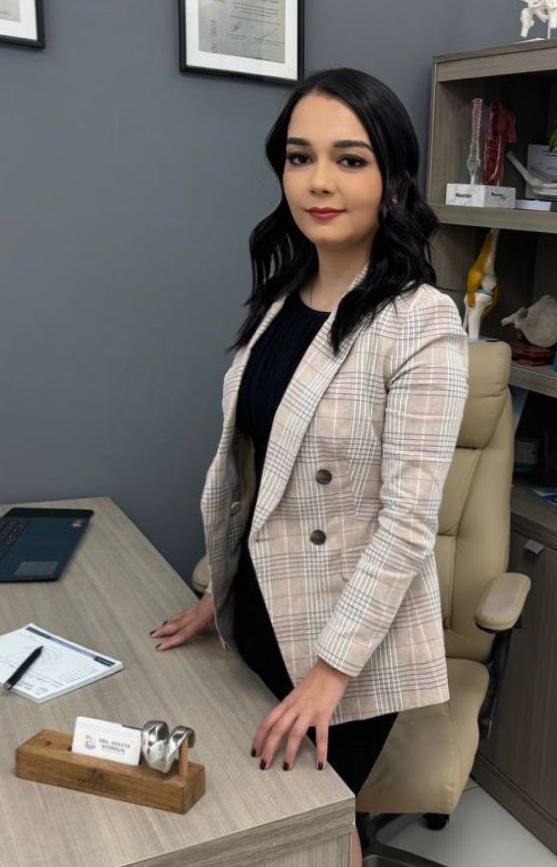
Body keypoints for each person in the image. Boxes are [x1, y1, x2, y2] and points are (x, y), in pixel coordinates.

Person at [149, 67, 468, 867]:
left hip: (348, 643)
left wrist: (330, 673)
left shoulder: (421, 321)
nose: (318, 181)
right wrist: (222, 590)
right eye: (299, 157)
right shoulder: (282, 297)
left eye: (349, 160)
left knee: (313, 828)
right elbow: (263, 479)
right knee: (271, 824)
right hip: (265, 605)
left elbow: (407, 523)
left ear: (393, 179)